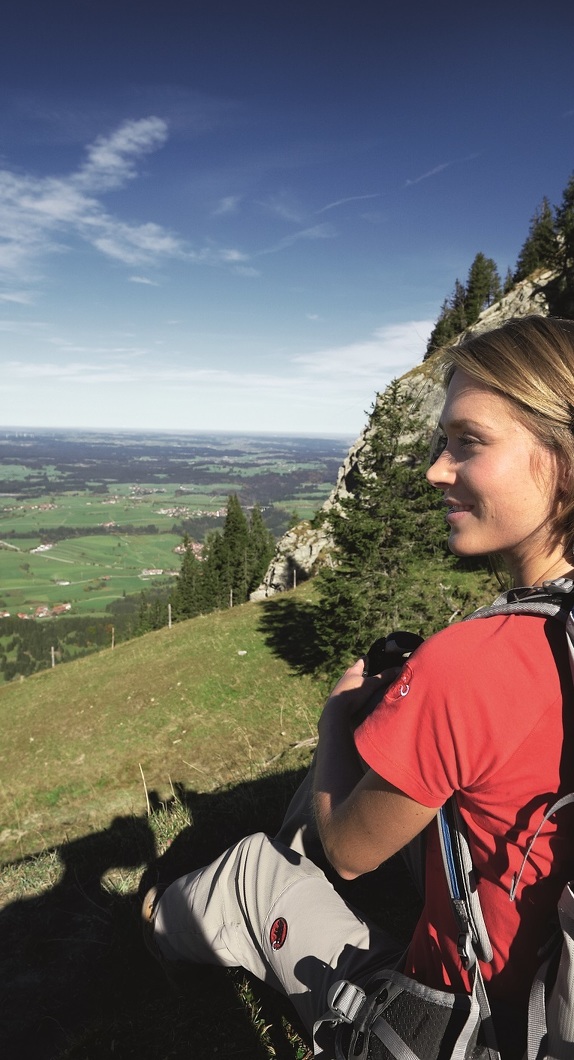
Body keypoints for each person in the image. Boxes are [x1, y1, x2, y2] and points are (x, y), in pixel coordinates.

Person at [142, 315, 574, 1058]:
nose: (438, 469)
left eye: (467, 443)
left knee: (249, 871)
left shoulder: (474, 661)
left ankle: (143, 928)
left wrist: (339, 723)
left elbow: (348, 848)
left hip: (486, 1032)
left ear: (564, 460)